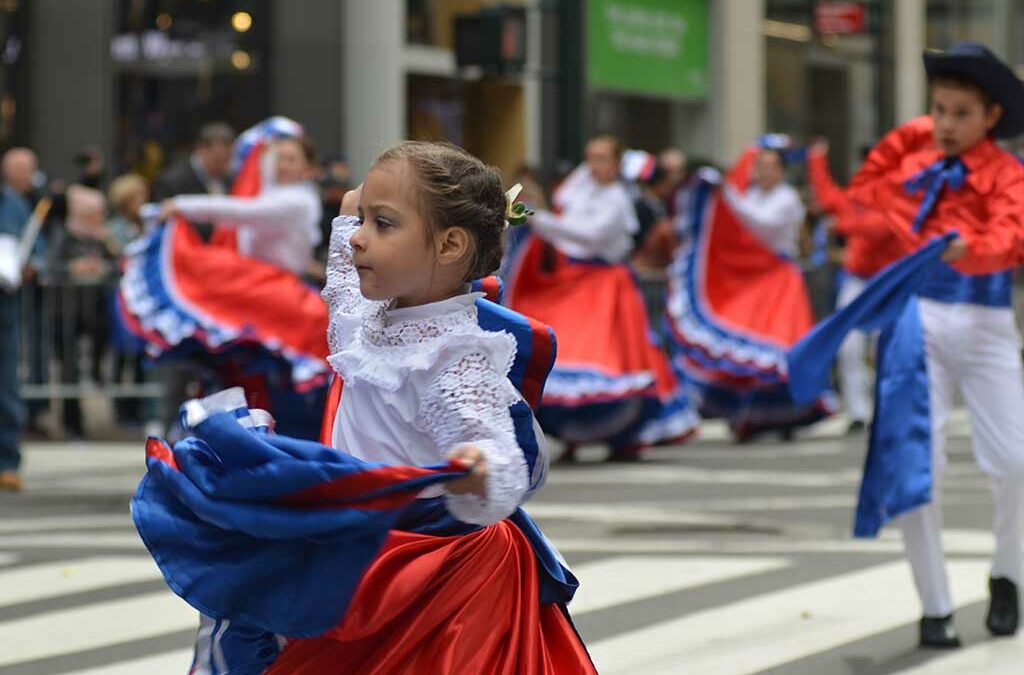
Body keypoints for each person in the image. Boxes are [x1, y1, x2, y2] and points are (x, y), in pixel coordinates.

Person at [134, 141, 596, 673]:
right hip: (363, 547)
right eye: (362, 222)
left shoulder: (451, 357)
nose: (358, 237)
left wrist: (481, 470)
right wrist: (345, 221)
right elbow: (343, 299)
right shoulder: (380, 320)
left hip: (423, 573)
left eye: (383, 224)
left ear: (448, 246)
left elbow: (501, 456)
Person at [828, 42, 1024, 649]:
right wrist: (914, 151)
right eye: (938, 109)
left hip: (988, 323)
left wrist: (972, 247)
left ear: (991, 117)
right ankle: (934, 604)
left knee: (1016, 462)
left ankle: (1009, 572)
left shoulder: (1007, 173)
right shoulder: (913, 150)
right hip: (918, 322)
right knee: (919, 464)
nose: (945, 123)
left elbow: (1010, 236)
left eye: (961, 112)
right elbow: (860, 193)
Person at [507, 134, 697, 461]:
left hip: (607, 284)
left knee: (614, 357)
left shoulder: (617, 200)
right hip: (574, 281)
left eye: (602, 158)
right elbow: (566, 199)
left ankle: (623, 433)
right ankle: (573, 433)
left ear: (617, 164)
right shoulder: (583, 189)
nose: (593, 165)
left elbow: (589, 235)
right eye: (590, 157)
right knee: (565, 353)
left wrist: (535, 215)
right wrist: (528, 199)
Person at [663, 137, 834, 441]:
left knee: (779, 347)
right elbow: (739, 225)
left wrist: (725, 194)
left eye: (771, 167)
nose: (764, 172)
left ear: (782, 171)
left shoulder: (786, 199)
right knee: (750, 351)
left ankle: (789, 414)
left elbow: (760, 225)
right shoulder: (751, 194)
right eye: (760, 166)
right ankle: (750, 415)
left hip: (780, 280)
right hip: (756, 279)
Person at [807, 141, 901, 434]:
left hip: (887, 282)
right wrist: (816, 159)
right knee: (848, 347)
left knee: (886, 348)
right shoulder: (856, 196)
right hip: (856, 280)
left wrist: (844, 225)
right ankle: (859, 411)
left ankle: (886, 408)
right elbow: (826, 195)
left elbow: (879, 229)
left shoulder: (897, 197)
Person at [0, 148, 34, 491]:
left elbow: (33, 248)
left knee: (6, 388)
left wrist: (28, 265)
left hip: (5, 309)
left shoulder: (14, 204)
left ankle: (7, 460)